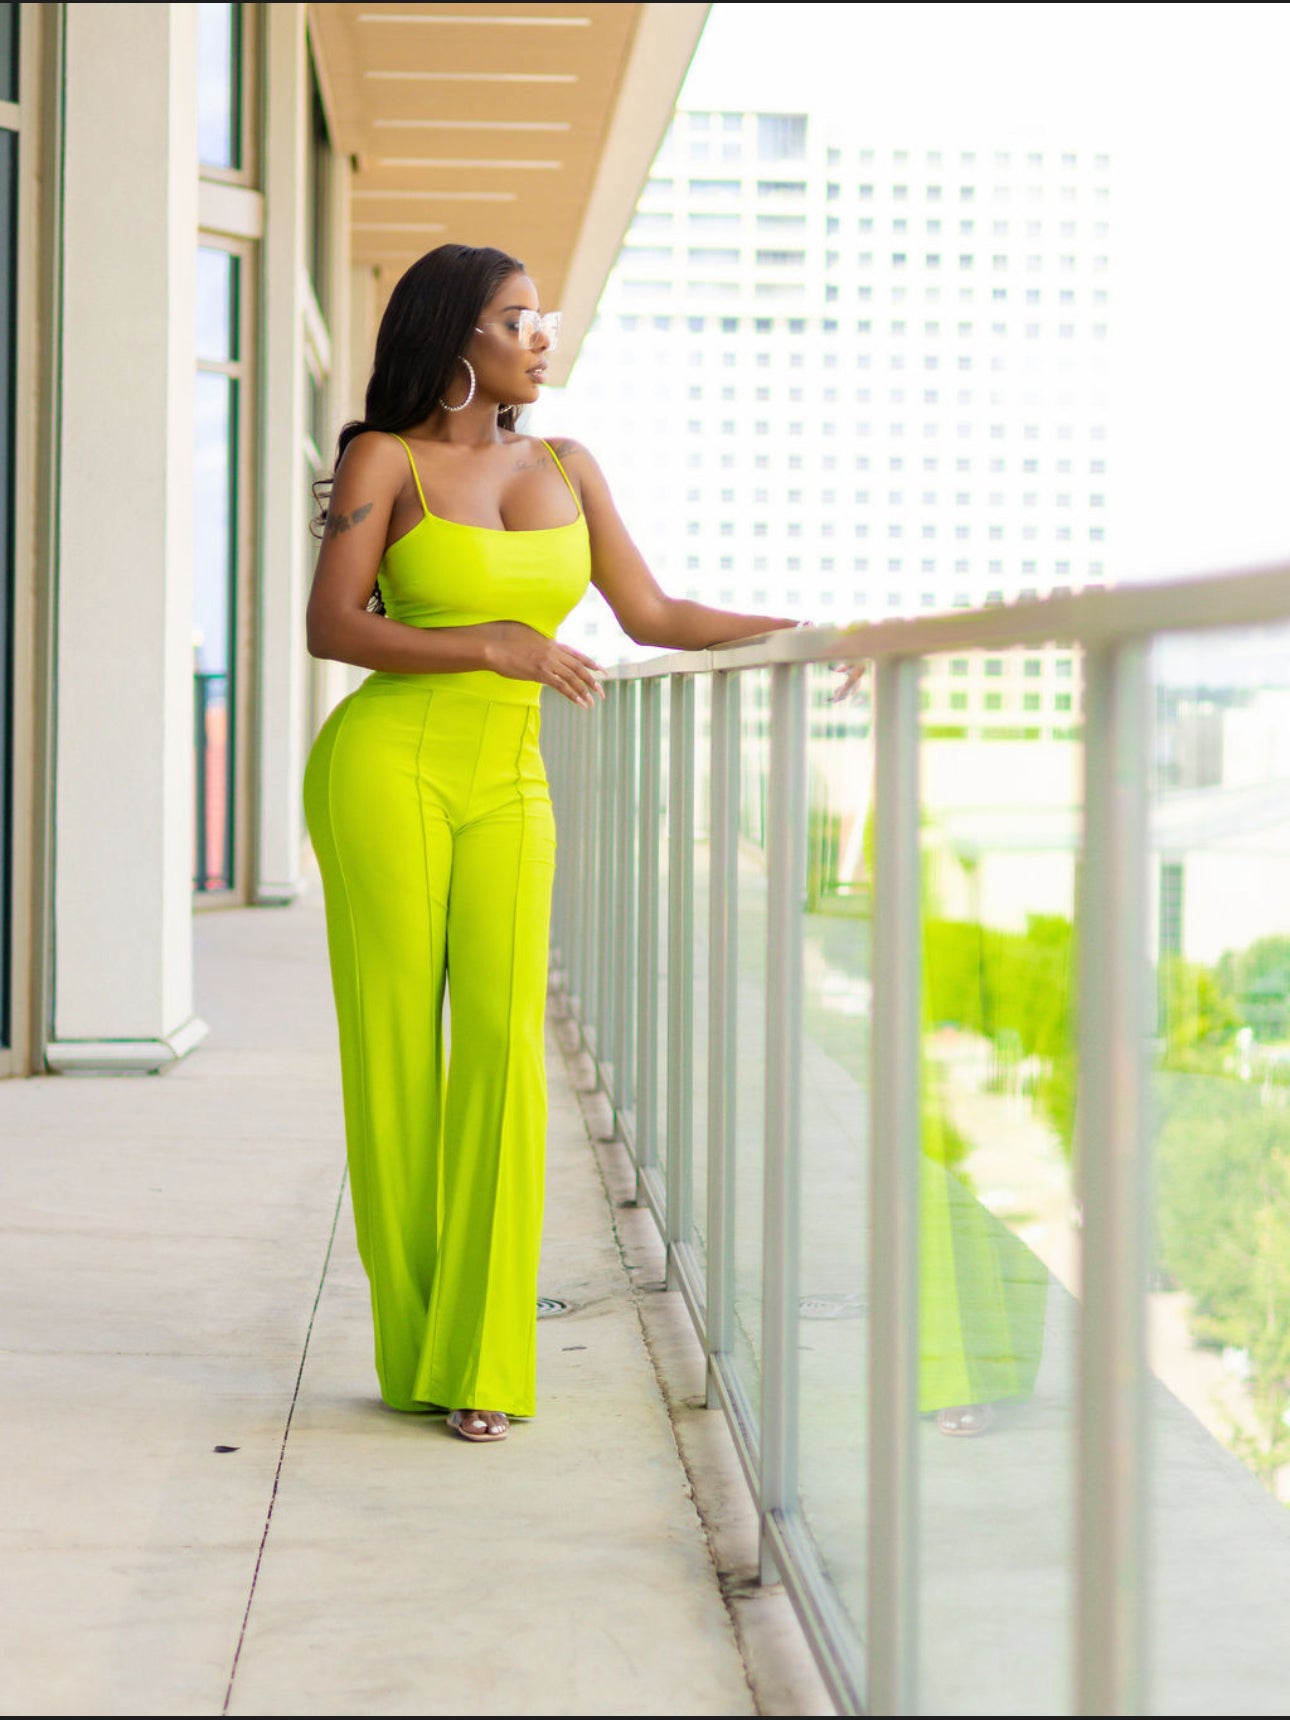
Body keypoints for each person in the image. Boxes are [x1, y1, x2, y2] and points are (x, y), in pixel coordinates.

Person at [303, 243, 798, 1444]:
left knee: (502, 1053)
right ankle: (419, 1347)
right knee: (394, 1058)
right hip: (386, 769)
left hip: (508, 776)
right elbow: (332, 625)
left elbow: (653, 614)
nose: (541, 334)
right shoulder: (386, 457)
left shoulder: (569, 463)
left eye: (543, 316)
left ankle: (485, 1353)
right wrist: (493, 642)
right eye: (518, 318)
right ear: (456, 337)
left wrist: (803, 628)